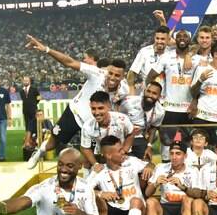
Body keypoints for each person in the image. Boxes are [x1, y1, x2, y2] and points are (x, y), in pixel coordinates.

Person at [25, 35, 128, 169]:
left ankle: (90, 182)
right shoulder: (96, 73)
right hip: (74, 114)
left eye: (117, 76)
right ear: (107, 71)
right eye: (111, 74)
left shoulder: (124, 89)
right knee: (52, 143)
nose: (112, 78)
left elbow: (119, 107)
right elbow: (70, 62)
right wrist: (46, 49)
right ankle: (39, 152)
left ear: (122, 76)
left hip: (93, 123)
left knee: (91, 156)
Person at [145, 29, 201, 161]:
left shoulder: (197, 59)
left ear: (189, 39)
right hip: (169, 108)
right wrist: (154, 96)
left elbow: (202, 83)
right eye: (179, 36)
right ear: (174, 40)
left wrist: (195, 101)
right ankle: (165, 166)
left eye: (185, 36)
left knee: (187, 143)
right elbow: (150, 77)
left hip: (188, 109)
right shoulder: (166, 57)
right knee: (167, 143)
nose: (182, 38)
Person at [144, 137, 202, 215]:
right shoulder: (160, 167)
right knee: (150, 202)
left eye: (178, 154)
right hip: (165, 210)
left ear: (185, 156)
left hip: (184, 210)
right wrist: (155, 184)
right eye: (172, 153)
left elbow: (198, 195)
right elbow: (147, 194)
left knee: (188, 199)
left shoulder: (193, 171)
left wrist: (182, 186)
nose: (174, 157)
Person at [80, 91, 134, 172]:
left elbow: (131, 134)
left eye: (100, 108)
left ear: (109, 106)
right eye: (93, 109)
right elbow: (85, 148)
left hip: (122, 155)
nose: (97, 112)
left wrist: (124, 151)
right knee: (86, 163)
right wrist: (95, 164)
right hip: (102, 157)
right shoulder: (87, 126)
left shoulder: (122, 119)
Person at [190, 41, 217, 141]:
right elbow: (192, 92)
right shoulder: (201, 69)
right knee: (198, 148)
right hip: (201, 118)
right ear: (216, 54)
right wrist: (200, 80)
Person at [119, 81, 165, 160]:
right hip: (121, 136)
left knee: (146, 159)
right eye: (148, 91)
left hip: (138, 137)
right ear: (144, 91)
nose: (150, 95)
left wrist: (149, 146)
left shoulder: (160, 111)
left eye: (154, 93)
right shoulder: (129, 101)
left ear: (159, 96)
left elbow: (153, 129)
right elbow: (117, 115)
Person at [127, 25, 169, 90]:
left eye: (163, 39)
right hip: (148, 91)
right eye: (157, 38)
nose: (159, 41)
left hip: (166, 94)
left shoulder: (171, 52)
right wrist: (131, 90)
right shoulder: (144, 51)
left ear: (168, 39)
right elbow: (132, 72)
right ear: (154, 38)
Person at [20, 76, 42, 147]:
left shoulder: (34, 89)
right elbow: (24, 100)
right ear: (23, 81)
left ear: (29, 81)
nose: (25, 81)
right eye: (24, 80)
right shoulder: (21, 91)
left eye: (27, 80)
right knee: (27, 126)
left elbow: (39, 97)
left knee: (30, 125)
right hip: (25, 111)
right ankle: (29, 141)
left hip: (33, 110)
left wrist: (34, 103)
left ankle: (27, 141)